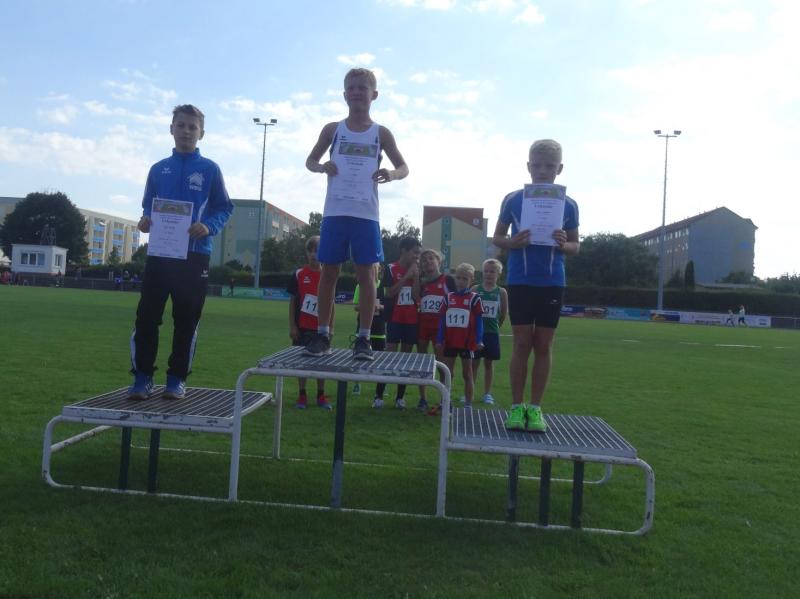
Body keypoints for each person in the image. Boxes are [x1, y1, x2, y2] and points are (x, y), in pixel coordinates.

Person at [127, 104, 233, 400]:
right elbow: (148, 206)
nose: (186, 131)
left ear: (202, 133)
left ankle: (176, 379)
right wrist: (145, 221)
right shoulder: (158, 169)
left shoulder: (210, 169)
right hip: (160, 255)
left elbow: (225, 208)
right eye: (181, 125)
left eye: (192, 127)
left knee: (186, 321)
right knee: (146, 318)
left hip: (194, 256)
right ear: (171, 129)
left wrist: (208, 226)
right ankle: (142, 378)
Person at [303, 67, 409, 361]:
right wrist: (322, 167)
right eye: (351, 87)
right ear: (344, 94)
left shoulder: (381, 133)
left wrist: (391, 173)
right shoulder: (332, 130)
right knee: (329, 273)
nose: (357, 92)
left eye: (363, 87)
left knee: (367, 276)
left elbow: (404, 167)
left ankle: (363, 338)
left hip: (366, 215)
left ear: (374, 94)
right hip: (335, 212)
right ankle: (323, 334)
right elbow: (310, 160)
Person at [492, 139, 580, 432]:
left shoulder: (569, 204)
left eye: (549, 166)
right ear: (528, 166)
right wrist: (512, 242)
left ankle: (536, 408)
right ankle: (517, 407)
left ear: (559, 169)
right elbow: (497, 238)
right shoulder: (513, 199)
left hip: (552, 282)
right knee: (521, 343)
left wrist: (563, 243)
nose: (543, 171)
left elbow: (576, 246)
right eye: (538, 165)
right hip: (520, 281)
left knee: (543, 344)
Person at [287, 236, 331, 410]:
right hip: (302, 328)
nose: (313, 254)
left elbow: (332, 304)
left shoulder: (328, 275)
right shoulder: (299, 274)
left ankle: (321, 395)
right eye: (310, 251)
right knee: (302, 363)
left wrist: (331, 327)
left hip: (321, 329)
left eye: (317, 251)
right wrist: (292, 326)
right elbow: (292, 302)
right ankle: (302, 394)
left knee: (322, 364)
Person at [435, 263, 484, 408]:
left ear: (471, 280)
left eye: (465, 279)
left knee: (467, 373)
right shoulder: (448, 297)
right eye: (458, 278)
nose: (461, 281)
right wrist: (439, 339)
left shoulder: (474, 298)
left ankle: (468, 403)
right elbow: (442, 320)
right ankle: (445, 400)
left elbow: (479, 321)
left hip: (466, 342)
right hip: (450, 341)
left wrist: (479, 340)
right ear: (455, 278)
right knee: (447, 372)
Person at [382, 237, 422, 409]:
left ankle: (400, 397)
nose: (417, 257)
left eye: (418, 254)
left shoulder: (417, 271)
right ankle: (379, 396)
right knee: (389, 358)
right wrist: (407, 276)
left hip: (411, 321)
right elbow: (389, 293)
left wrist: (416, 277)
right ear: (404, 251)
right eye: (415, 253)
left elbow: (416, 297)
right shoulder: (391, 269)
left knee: (405, 360)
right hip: (394, 319)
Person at [416, 248, 455, 411]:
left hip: (440, 329)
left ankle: (445, 399)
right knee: (422, 363)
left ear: (439, 261)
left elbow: (456, 300)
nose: (427, 262)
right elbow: (416, 298)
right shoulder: (422, 283)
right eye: (424, 261)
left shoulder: (448, 280)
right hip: (423, 327)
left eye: (431, 259)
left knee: (443, 365)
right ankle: (423, 399)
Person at [471, 258, 508, 405]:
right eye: (486, 271)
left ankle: (487, 394)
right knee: (473, 363)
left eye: (492, 271)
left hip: (492, 333)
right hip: (476, 334)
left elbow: (503, 314)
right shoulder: (475, 290)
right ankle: (469, 392)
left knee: (488, 364)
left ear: (498, 274)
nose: (488, 274)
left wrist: (495, 327)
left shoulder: (501, 292)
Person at [353, 263, 389, 407]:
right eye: (372, 267)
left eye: (376, 268)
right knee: (359, 358)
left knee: (381, 360)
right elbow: (356, 306)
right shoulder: (360, 285)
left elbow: (388, 306)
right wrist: (366, 306)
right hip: (362, 329)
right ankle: (357, 382)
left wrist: (379, 306)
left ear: (379, 270)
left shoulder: (384, 288)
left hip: (379, 330)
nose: (374, 270)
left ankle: (380, 388)